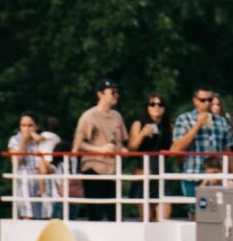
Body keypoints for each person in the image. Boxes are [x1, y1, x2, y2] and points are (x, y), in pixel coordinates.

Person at [170, 88, 233, 209]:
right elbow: (175, 150)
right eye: (203, 100)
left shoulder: (221, 121)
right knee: (195, 214)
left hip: (218, 177)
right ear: (195, 101)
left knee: (220, 214)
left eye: (210, 99)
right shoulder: (184, 119)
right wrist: (197, 125)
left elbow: (227, 151)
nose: (207, 103)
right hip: (193, 175)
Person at [72, 78, 126, 217]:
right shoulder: (89, 116)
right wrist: (100, 149)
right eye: (112, 92)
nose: (116, 95)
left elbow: (121, 141)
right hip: (94, 168)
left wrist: (122, 149)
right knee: (95, 212)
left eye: (117, 92)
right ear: (100, 94)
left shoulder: (117, 116)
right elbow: (78, 146)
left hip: (113, 171)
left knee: (115, 213)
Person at [129, 94, 174, 217]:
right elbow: (131, 149)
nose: (156, 107)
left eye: (160, 104)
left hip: (162, 170)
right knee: (146, 218)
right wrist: (142, 134)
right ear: (147, 107)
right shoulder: (138, 124)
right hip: (144, 169)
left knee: (164, 218)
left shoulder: (169, 126)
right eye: (152, 104)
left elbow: (175, 148)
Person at [7, 114, 48, 219]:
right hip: (24, 178)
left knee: (44, 214)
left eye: (30, 125)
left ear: (36, 126)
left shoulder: (42, 139)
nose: (26, 129)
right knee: (27, 213)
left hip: (41, 178)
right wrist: (23, 142)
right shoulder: (14, 139)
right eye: (23, 125)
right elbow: (17, 162)